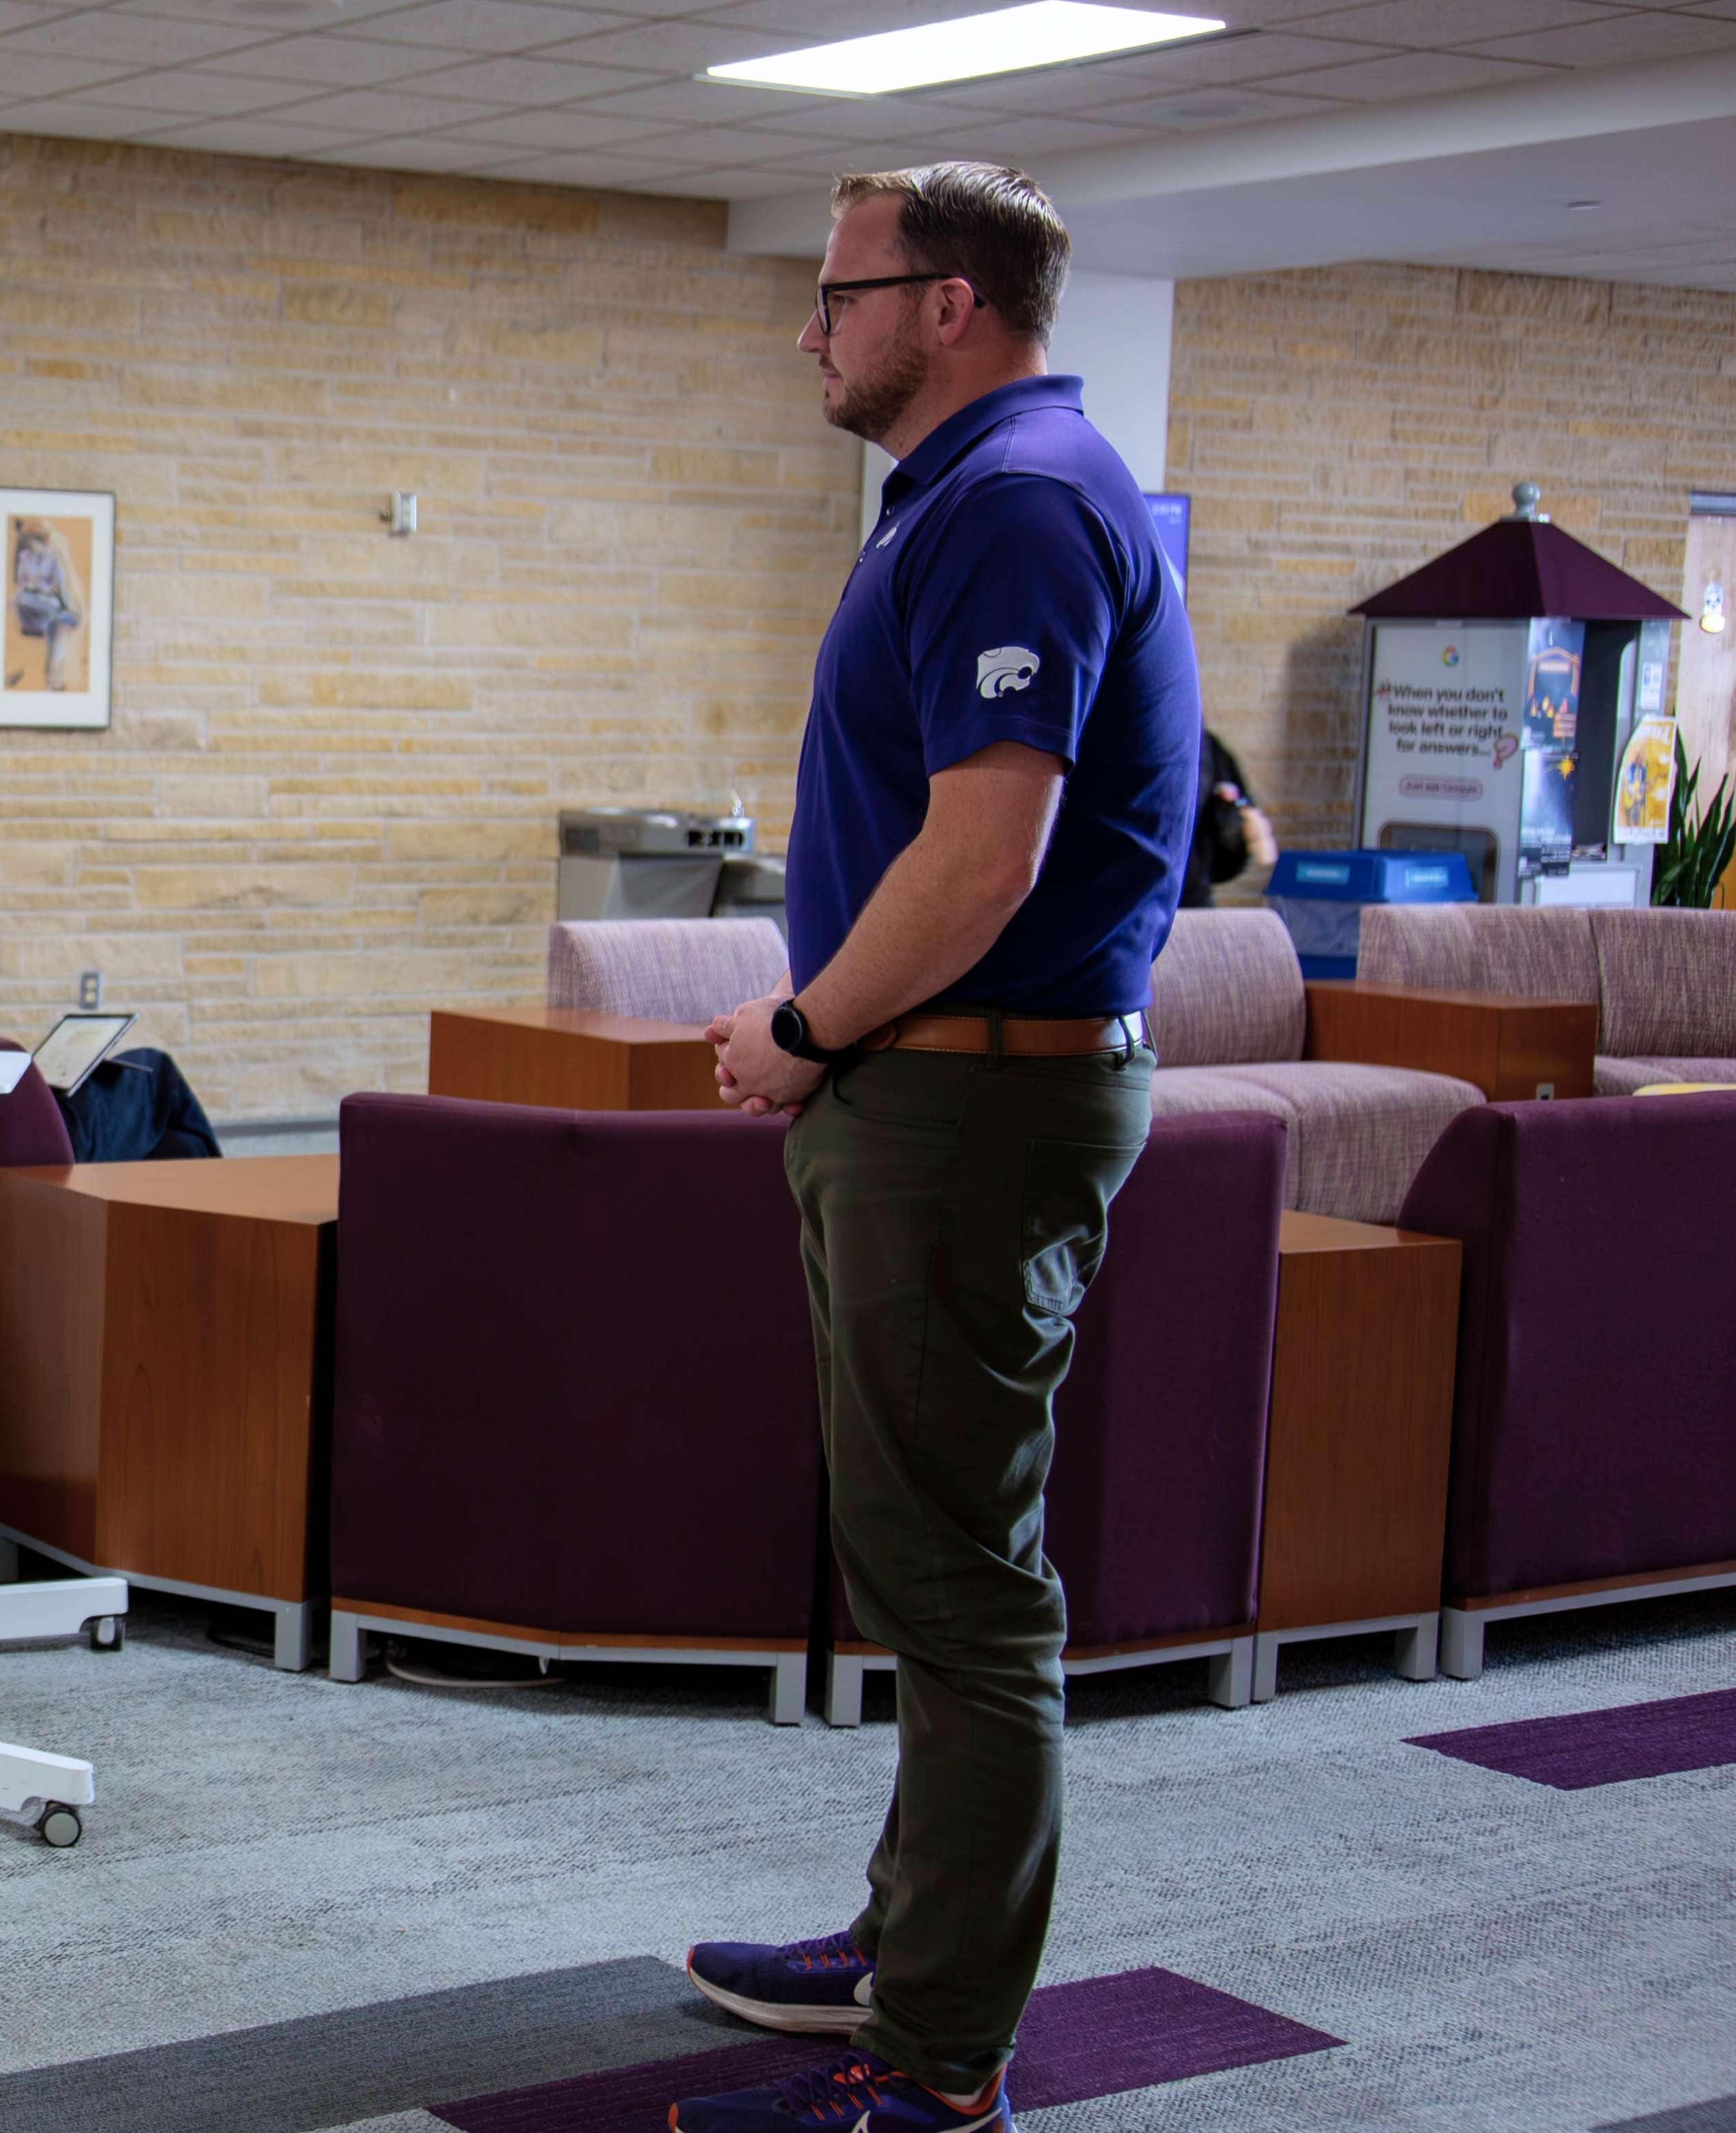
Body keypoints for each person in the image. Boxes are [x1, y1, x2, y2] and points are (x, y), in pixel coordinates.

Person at [680, 164, 1199, 2131]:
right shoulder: (981, 499)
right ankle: (910, 1940)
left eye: (840, 294)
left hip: (967, 1092)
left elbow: (987, 853)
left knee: (966, 1589)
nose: (812, 328)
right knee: (925, 1557)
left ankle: (940, 2057)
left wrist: (806, 1026)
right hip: (938, 1085)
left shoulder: (1019, 504)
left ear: (955, 303)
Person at [1183, 729, 1277, 906]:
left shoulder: (1207, 747)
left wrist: (1231, 831)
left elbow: (1227, 861)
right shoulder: (1203, 744)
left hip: (1189, 900)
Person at [12, 517, 84, 691]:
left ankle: (54, 679)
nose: (32, 545)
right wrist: (32, 586)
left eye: (36, 541)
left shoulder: (54, 557)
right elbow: (21, 582)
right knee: (22, 599)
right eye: (29, 541)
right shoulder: (25, 557)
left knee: (57, 629)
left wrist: (69, 606)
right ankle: (55, 678)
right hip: (31, 602)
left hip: (51, 601)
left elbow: (61, 585)